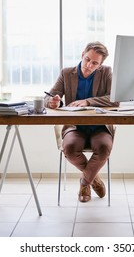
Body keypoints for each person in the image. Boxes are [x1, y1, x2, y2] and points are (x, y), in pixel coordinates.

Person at [44, 41, 119, 203]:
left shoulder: (106, 73)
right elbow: (49, 97)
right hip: (75, 126)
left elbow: (115, 100)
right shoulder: (66, 73)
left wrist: (88, 101)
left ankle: (85, 183)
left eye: (95, 63)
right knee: (70, 148)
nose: (89, 65)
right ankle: (94, 179)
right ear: (82, 55)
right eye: (87, 59)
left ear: (100, 65)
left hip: (99, 127)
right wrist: (52, 102)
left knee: (104, 147)